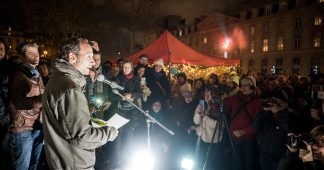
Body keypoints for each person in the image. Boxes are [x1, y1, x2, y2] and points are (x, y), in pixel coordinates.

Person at [42, 38, 118, 170]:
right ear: (72, 57)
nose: (93, 61)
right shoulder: (69, 88)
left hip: (65, 160)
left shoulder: (58, 80)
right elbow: (82, 138)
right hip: (75, 163)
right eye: (88, 56)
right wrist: (109, 133)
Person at [9, 42, 44, 170]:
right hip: (23, 129)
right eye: (31, 53)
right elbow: (17, 102)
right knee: (21, 166)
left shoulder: (35, 72)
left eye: (37, 53)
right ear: (22, 56)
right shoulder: (18, 74)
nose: (36, 56)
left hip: (37, 126)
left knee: (34, 165)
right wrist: (42, 99)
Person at [224, 76, 263, 170]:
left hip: (248, 140)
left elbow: (258, 123)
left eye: (247, 85)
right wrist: (214, 102)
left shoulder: (257, 102)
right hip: (234, 138)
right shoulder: (234, 98)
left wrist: (243, 131)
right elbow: (223, 109)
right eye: (242, 85)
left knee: (248, 163)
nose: (244, 87)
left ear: (253, 87)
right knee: (236, 161)